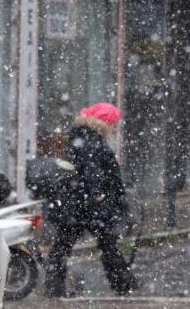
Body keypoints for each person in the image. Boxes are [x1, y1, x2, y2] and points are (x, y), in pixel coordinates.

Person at [44, 102, 138, 297]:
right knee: (106, 244)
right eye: (113, 123)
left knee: (64, 245)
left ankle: (54, 287)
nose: (114, 128)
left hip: (77, 202)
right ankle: (123, 284)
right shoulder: (92, 139)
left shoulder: (82, 135)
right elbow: (92, 169)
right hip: (88, 204)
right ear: (105, 122)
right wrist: (97, 195)